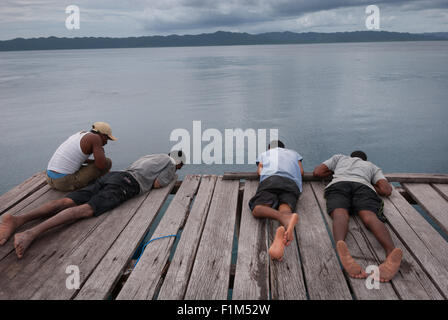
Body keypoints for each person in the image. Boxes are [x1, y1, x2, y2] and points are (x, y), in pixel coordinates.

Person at [0, 150, 185, 259]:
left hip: (116, 175)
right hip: (127, 185)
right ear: (179, 164)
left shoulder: (153, 155)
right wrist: (172, 175)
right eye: (179, 167)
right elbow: (158, 184)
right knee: (86, 210)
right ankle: (30, 233)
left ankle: (18, 219)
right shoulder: (170, 164)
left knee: (67, 200)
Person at [313, 151, 402, 282]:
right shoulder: (371, 166)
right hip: (363, 187)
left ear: (351, 156)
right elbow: (386, 190)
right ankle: (390, 252)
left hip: (339, 184)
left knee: (340, 214)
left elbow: (317, 172)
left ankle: (340, 246)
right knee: (370, 216)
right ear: (365, 159)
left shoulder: (339, 158)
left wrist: (335, 173)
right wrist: (370, 183)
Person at [249, 140, 303, 261]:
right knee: (285, 207)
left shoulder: (265, 154)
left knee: (257, 209)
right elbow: (301, 172)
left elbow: (260, 171)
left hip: (271, 180)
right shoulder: (294, 153)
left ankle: (282, 219)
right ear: (284, 148)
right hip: (291, 183)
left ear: (269, 148)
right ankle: (285, 221)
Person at [45, 122, 116, 192]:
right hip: (64, 182)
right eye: (107, 138)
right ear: (103, 135)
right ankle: (99, 184)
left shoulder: (80, 134)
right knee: (107, 162)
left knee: (96, 163)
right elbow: (101, 165)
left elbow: (75, 158)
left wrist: (93, 161)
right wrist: (101, 150)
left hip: (49, 178)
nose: (106, 142)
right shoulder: (96, 138)